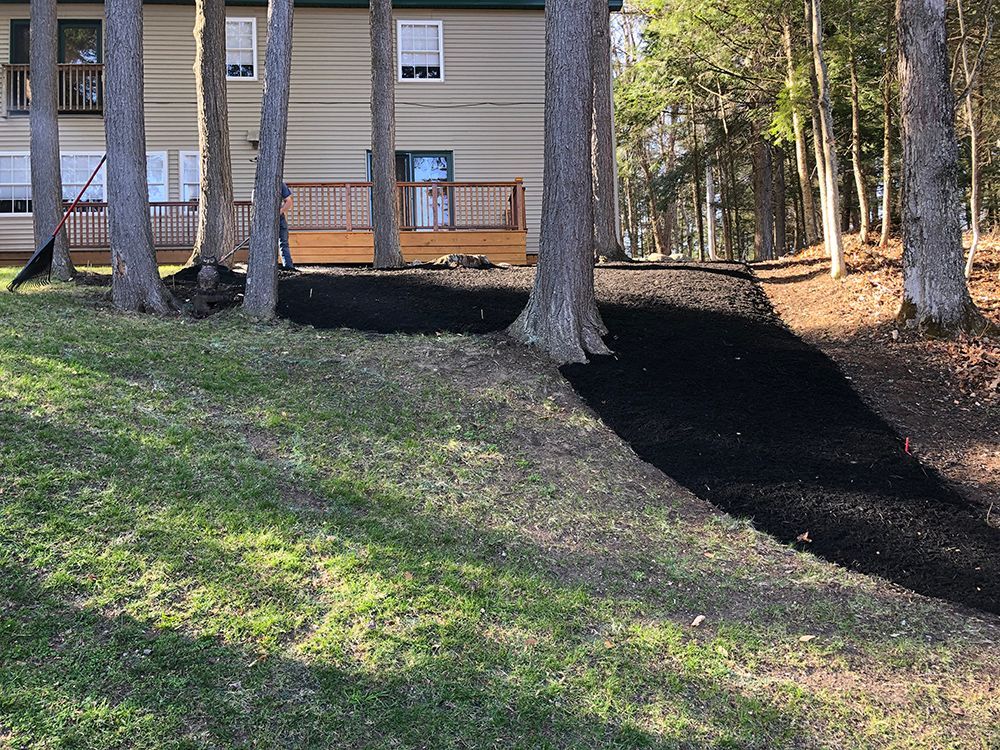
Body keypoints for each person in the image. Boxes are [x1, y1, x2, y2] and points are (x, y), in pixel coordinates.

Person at [278, 181, 296, 271]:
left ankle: (288, 267)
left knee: (283, 242)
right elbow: (254, 201)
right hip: (264, 220)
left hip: (279, 219)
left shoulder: (280, 184)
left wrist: (279, 212)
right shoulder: (259, 183)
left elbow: (288, 201)